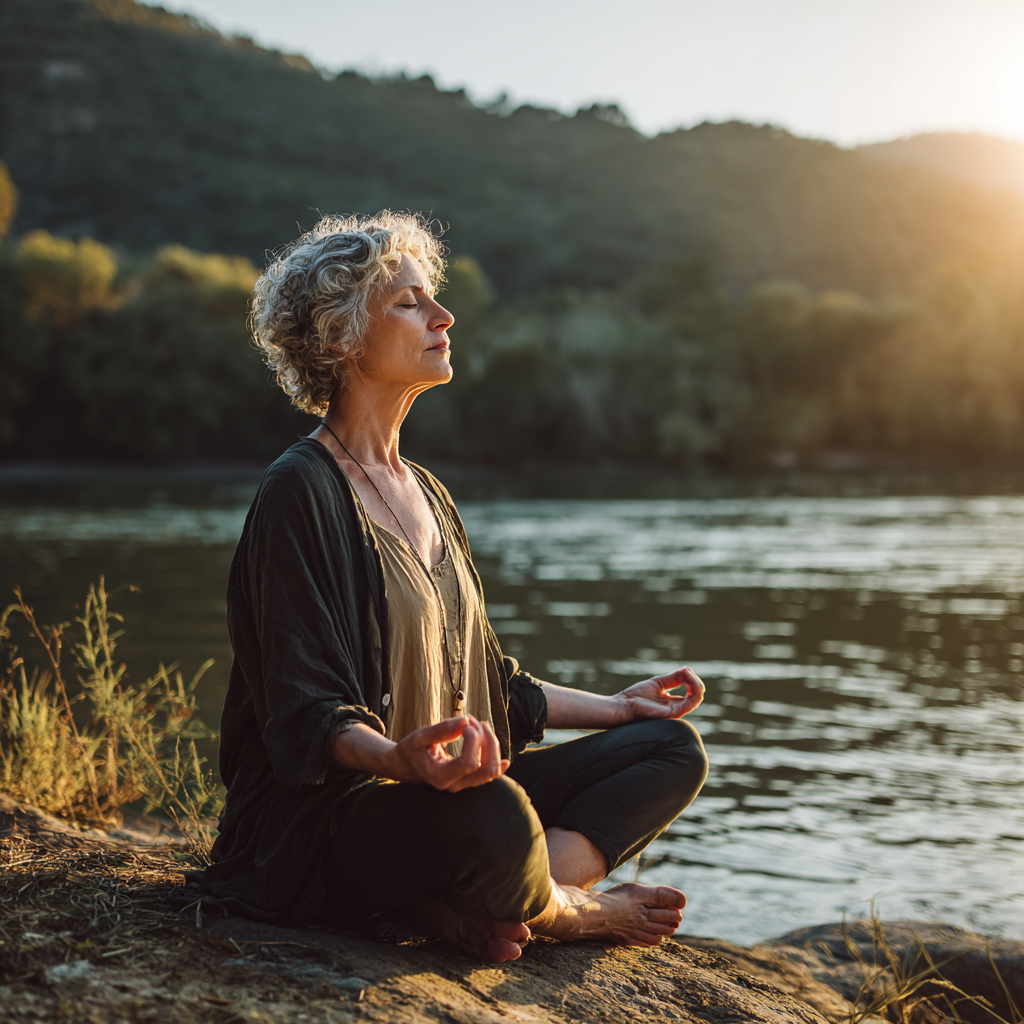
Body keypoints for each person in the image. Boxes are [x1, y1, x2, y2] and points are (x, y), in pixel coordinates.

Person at [195, 212, 709, 963]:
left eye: (431, 298)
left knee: (667, 748)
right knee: (495, 812)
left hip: (441, 802)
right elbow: (307, 717)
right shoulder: (298, 492)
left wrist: (616, 708)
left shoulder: (428, 492)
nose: (443, 315)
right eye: (408, 303)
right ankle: (567, 912)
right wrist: (400, 761)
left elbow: (492, 683)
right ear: (341, 337)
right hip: (337, 819)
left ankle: (473, 901)